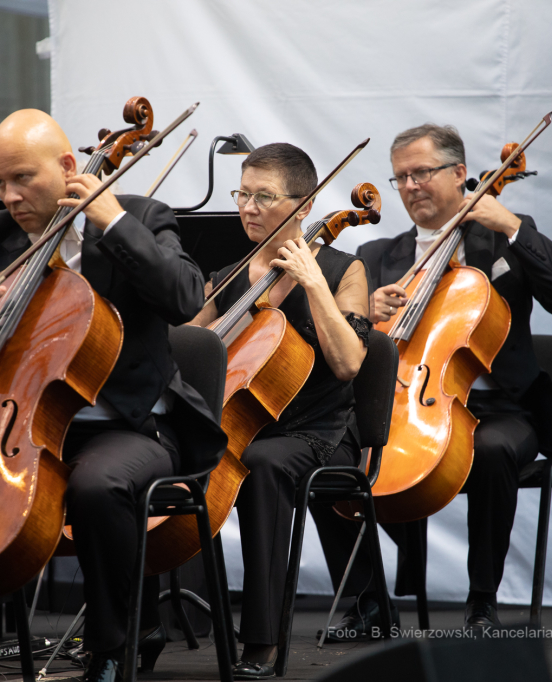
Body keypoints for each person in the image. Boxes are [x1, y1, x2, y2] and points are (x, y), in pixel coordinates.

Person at [0, 109, 226, 682]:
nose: (7, 196)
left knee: (97, 486)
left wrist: (111, 221)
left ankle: (114, 646)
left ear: (65, 166)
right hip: (11, 427)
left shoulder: (140, 217)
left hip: (124, 427)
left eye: (21, 179)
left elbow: (184, 300)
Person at [314, 123, 552, 632]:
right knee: (319, 458)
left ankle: (481, 601)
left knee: (490, 451)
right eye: (401, 177)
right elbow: (348, 349)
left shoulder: (500, 237)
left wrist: (513, 225)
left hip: (502, 410)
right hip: (408, 407)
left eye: (422, 172)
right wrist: (368, 314)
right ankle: (368, 601)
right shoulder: (379, 257)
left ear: (460, 174)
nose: (410, 186)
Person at [190, 143, 373, 679]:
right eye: (242, 194)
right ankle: (145, 622)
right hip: (243, 421)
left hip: (320, 430)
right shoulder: (229, 276)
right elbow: (186, 345)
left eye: (262, 196)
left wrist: (313, 282)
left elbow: (348, 362)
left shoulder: (344, 268)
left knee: (264, 463)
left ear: (303, 204)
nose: (247, 207)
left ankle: (262, 643)